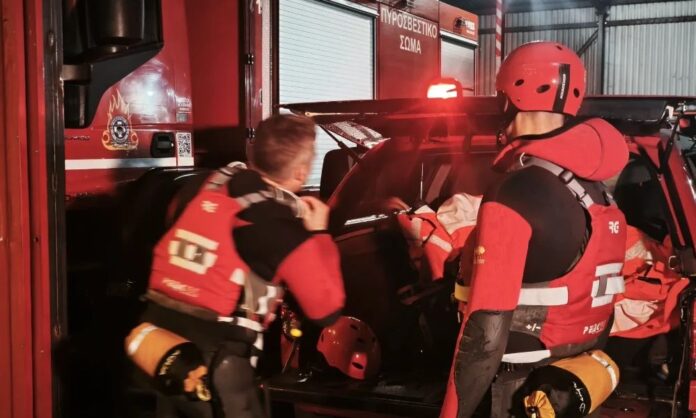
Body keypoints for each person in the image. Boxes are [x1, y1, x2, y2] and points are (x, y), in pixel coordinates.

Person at [439, 41, 629, 418]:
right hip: (568, 391)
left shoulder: (516, 192)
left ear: (508, 99)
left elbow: (485, 333)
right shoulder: (598, 193)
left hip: (516, 395)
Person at [137, 114, 345, 418]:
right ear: (301, 172)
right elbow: (326, 309)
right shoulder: (280, 227)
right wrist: (320, 234)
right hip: (214, 363)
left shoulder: (201, 186)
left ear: (252, 153)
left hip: (157, 345)